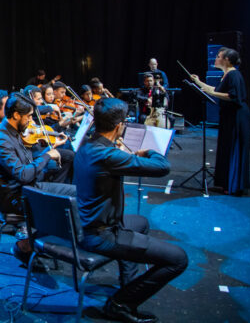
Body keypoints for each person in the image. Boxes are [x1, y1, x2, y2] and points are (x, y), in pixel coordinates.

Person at [73, 98, 187, 323]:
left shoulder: (87, 145)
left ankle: (129, 287)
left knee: (141, 223)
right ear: (118, 126)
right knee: (178, 259)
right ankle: (119, 304)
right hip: (101, 235)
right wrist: (148, 152)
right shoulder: (108, 156)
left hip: (87, 224)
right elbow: (163, 167)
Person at [0, 93, 74, 265]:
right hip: (17, 197)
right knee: (70, 200)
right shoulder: (0, 140)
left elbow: (27, 164)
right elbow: (23, 174)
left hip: (28, 188)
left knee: (76, 193)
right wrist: (47, 155)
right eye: (28, 116)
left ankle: (37, 241)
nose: (30, 121)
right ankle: (25, 245)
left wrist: (46, 150)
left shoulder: (13, 132)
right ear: (16, 115)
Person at [191, 47, 250, 195]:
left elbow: (233, 96)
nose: (215, 59)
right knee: (226, 147)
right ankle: (225, 183)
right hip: (229, 115)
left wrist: (213, 92)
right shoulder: (226, 75)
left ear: (227, 60)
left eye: (218, 56)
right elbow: (216, 89)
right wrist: (199, 82)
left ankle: (234, 185)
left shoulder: (234, 75)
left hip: (237, 117)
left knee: (233, 148)